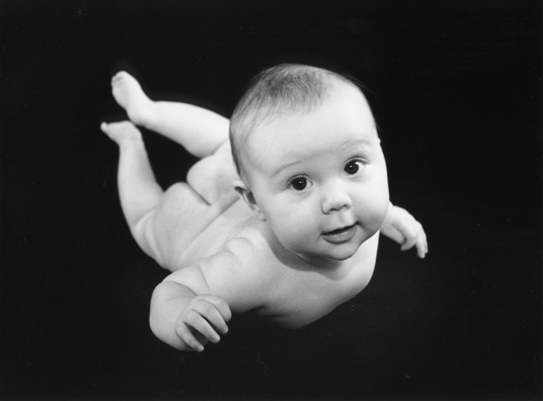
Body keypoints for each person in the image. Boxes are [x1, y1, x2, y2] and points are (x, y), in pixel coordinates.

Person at [101, 64, 428, 352]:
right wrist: (177, 313)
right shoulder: (251, 268)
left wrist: (389, 214)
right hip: (191, 227)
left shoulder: (354, 210)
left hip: (250, 186)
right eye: (300, 183)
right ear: (254, 201)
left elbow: (368, 199)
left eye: (353, 166)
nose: (339, 199)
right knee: (147, 217)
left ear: (379, 153)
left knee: (232, 144)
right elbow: (172, 288)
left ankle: (149, 113)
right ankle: (133, 139)